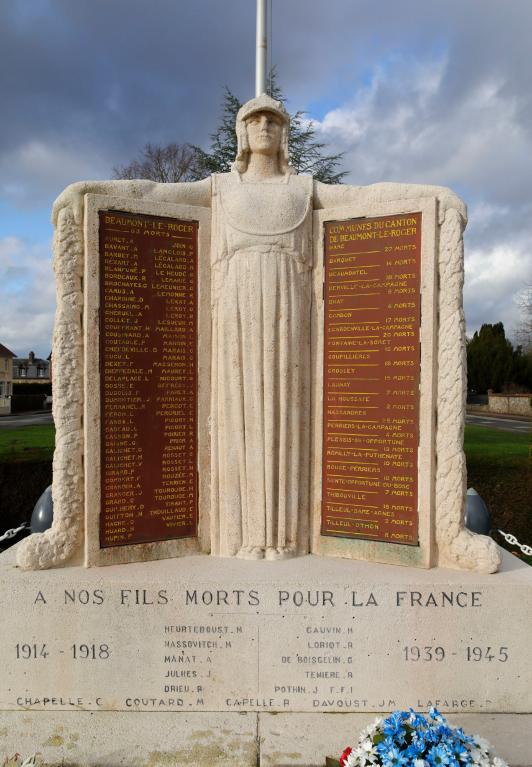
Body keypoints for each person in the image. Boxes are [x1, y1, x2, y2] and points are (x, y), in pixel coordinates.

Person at [51, 94, 473, 565]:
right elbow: (153, 193)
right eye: (255, 120)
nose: (265, 127)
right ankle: (241, 533)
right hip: (234, 312)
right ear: (242, 132)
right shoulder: (219, 188)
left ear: (284, 133)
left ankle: (283, 536)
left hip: (290, 312)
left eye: (273, 120)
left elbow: (367, 196)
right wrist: (85, 188)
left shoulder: (305, 188)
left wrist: (433, 195)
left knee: (285, 410)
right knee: (238, 413)